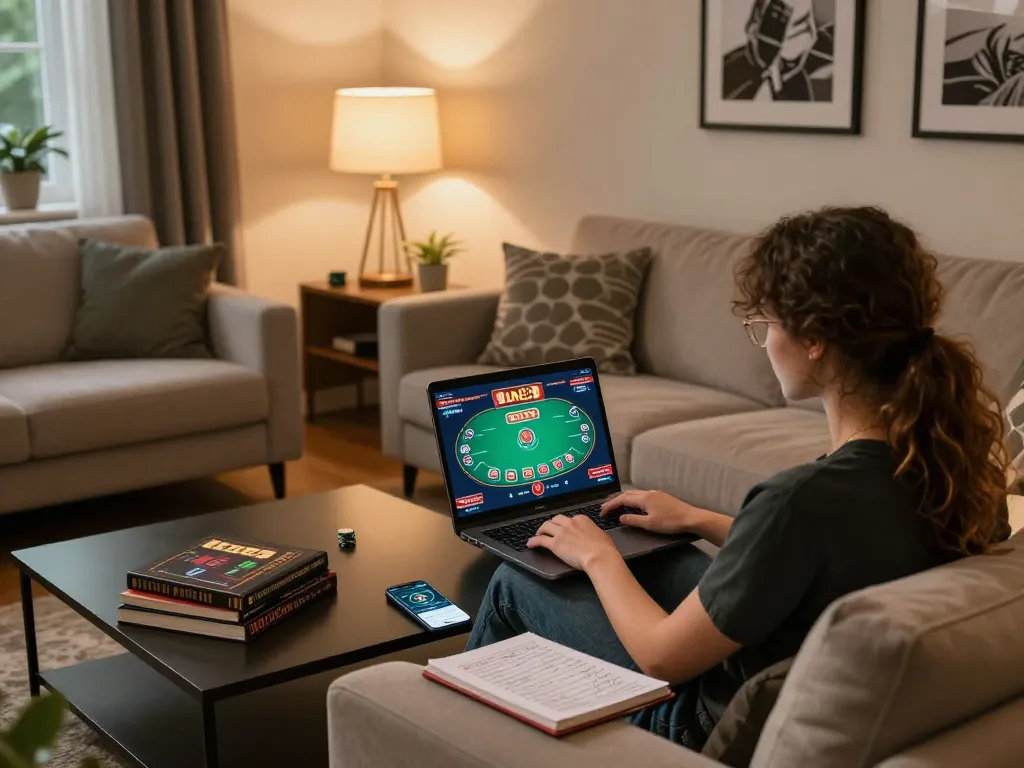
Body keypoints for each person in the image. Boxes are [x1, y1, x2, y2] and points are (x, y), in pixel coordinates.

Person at [464, 206, 1011, 750]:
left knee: (519, 582)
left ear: (814, 337)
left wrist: (597, 555)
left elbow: (661, 657)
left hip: (699, 721)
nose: (766, 341)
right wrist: (698, 519)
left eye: (767, 323)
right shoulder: (956, 470)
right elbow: (831, 549)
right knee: (667, 552)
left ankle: (442, 736)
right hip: (797, 666)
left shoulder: (797, 501)